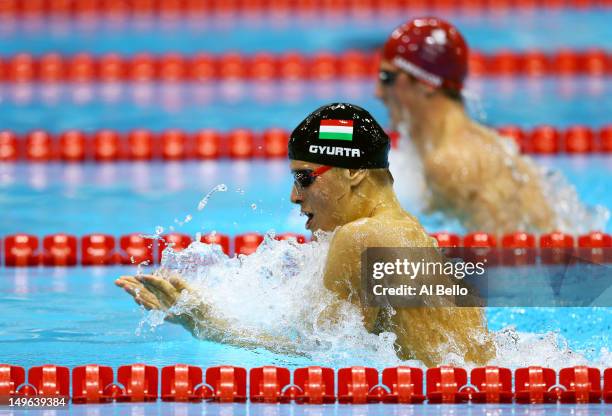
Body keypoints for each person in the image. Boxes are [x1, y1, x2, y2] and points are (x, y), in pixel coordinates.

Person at [116, 103, 495, 367]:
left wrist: (207, 323)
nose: (295, 196)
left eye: (305, 178)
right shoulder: (413, 236)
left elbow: (318, 353)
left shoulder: (359, 238)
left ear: (354, 172)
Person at [377, 17, 560, 235]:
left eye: (387, 77)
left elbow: (499, 259)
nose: (378, 93)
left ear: (426, 83)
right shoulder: (472, 142)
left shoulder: (449, 163)